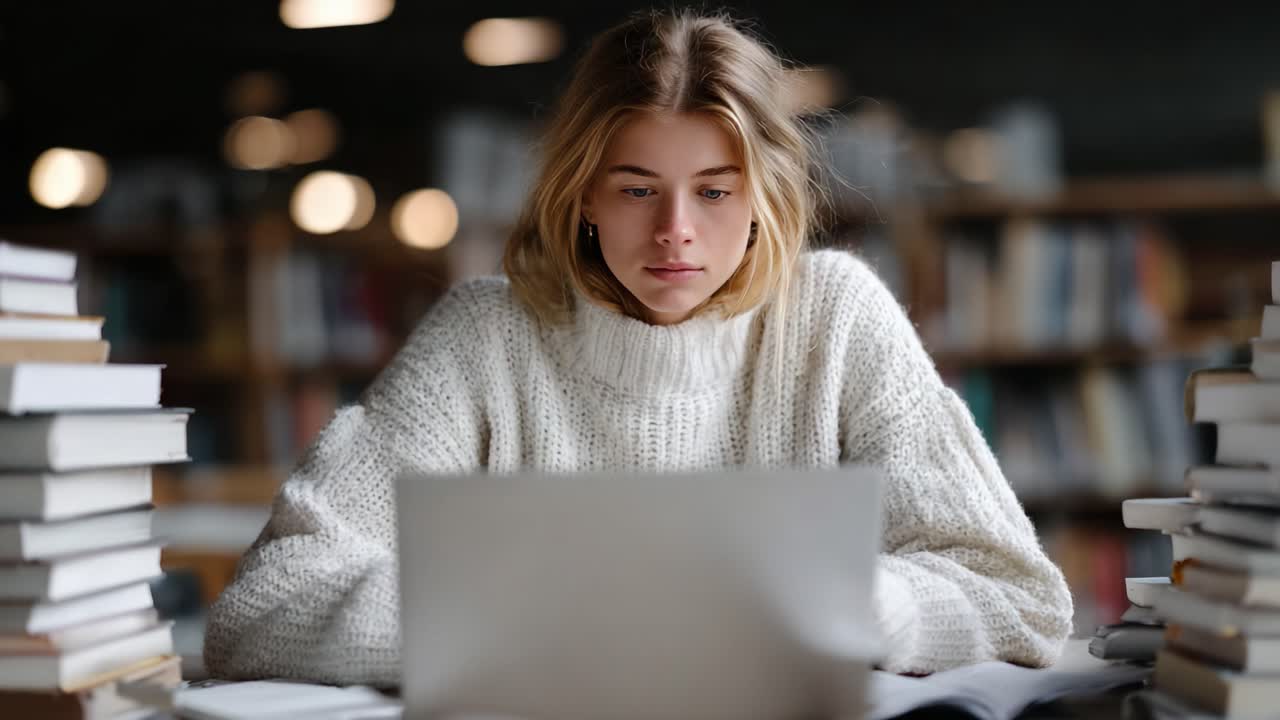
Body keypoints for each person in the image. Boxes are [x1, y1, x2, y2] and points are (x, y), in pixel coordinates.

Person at [204, 8, 1073, 686]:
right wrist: (552, 626)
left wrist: (868, 608)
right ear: (581, 194)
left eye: (715, 192)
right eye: (636, 190)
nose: (675, 233)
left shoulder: (837, 319)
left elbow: (1022, 600)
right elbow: (262, 607)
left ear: (766, 195)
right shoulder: (485, 338)